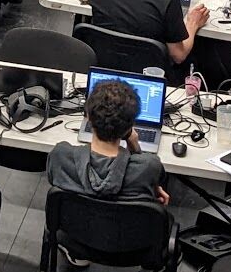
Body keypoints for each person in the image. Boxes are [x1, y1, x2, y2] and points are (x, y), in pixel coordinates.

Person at [46, 78, 169, 208]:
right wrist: (135, 148)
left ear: (88, 118)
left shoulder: (60, 156)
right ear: (130, 128)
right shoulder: (148, 167)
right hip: (122, 221)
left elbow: (54, 179)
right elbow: (152, 182)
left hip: (73, 221)